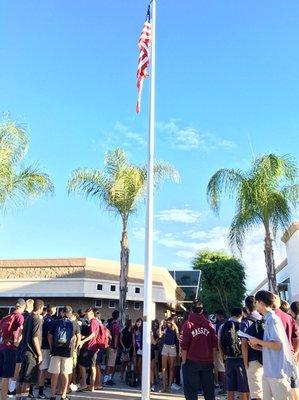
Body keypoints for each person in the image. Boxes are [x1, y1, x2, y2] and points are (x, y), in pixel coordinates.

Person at [249, 290, 297, 400]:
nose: (255, 305)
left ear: (261, 302)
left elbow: (278, 345)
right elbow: (273, 345)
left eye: (256, 302)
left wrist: (258, 341)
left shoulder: (273, 319)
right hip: (270, 372)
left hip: (277, 373)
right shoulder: (268, 319)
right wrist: (260, 347)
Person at [181, 300, 218, 400]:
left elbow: (184, 346)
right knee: (209, 391)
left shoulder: (187, 325)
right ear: (202, 310)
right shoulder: (209, 325)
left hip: (191, 362)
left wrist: (184, 362)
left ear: (191, 310)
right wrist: (213, 361)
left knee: (191, 391)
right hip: (207, 362)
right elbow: (214, 344)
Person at [48, 305, 80, 400]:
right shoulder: (74, 323)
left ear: (62, 312)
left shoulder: (56, 322)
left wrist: (51, 347)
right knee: (65, 374)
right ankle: (63, 395)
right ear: (70, 313)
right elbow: (78, 337)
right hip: (67, 352)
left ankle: (52, 395)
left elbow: (49, 335)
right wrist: (75, 348)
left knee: (55, 373)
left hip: (56, 351)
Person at [219, 307, 249, 400]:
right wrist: (246, 361)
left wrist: (222, 358)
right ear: (240, 314)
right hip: (241, 359)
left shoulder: (223, 326)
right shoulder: (242, 325)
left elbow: (219, 344)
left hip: (228, 358)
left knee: (230, 387)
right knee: (243, 387)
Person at [17, 299, 44, 400]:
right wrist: (39, 353)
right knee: (27, 380)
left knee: (22, 379)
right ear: (41, 308)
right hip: (31, 353)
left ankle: (18, 398)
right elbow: (35, 337)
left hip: (24, 351)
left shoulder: (28, 317)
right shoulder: (37, 319)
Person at [0, 298, 26, 400]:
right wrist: (17, 343)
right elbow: (21, 330)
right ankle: (4, 398)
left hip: (2, 347)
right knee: (7, 376)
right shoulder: (19, 316)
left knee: (3, 376)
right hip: (10, 348)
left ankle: (2, 397)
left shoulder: (7, 316)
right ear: (23, 306)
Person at [240, 295, 264, 400]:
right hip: (267, 358)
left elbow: (244, 344)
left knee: (256, 392)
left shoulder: (245, 321)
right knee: (266, 390)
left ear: (246, 306)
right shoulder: (264, 318)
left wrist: (245, 363)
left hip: (253, 359)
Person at [77, 307, 99, 392]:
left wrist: (83, 341)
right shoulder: (96, 322)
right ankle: (92, 386)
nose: (86, 315)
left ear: (92, 314)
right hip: (95, 347)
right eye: (86, 313)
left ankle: (84, 384)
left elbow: (93, 334)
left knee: (81, 364)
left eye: (88, 313)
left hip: (90, 346)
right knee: (93, 366)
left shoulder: (93, 322)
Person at [38, 304, 57, 399]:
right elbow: (49, 336)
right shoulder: (50, 320)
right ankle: (40, 392)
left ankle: (35, 389)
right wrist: (51, 348)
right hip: (45, 347)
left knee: (40, 369)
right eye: (55, 309)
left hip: (39, 346)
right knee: (43, 369)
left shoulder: (42, 318)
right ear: (52, 309)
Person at [160, 317, 180, 392]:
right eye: (167, 322)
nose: (168, 324)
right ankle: (164, 387)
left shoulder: (175, 329)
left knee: (171, 368)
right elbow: (160, 335)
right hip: (165, 347)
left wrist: (174, 325)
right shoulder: (165, 329)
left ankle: (169, 387)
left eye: (169, 322)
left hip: (172, 347)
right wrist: (160, 326)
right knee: (163, 368)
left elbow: (178, 337)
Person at [103, 310, 120, 386]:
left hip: (107, 345)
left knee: (108, 363)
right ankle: (107, 379)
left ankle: (107, 378)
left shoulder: (109, 324)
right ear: (118, 316)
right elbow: (116, 336)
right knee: (111, 364)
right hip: (113, 346)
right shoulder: (116, 325)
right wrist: (115, 346)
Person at [133, 318, 143, 385]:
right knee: (135, 364)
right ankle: (135, 378)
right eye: (137, 322)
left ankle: (140, 378)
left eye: (139, 322)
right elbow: (133, 339)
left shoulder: (143, 330)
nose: (138, 323)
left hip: (141, 348)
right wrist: (134, 349)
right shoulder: (134, 329)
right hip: (135, 348)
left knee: (139, 365)